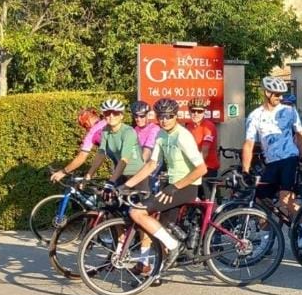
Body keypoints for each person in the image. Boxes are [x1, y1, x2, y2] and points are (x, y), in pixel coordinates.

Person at [124, 98, 207, 271]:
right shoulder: (162, 134)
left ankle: (174, 247)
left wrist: (175, 187)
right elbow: (151, 165)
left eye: (169, 116)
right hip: (171, 185)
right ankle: (157, 271)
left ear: (176, 116)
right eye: (161, 116)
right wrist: (126, 185)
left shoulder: (182, 136)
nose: (164, 120)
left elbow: (201, 169)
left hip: (186, 187)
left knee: (137, 212)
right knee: (159, 228)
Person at [242, 76, 302, 246]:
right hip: (271, 163)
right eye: (277, 94)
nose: (280, 97)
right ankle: (267, 238)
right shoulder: (255, 116)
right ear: (267, 93)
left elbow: (300, 134)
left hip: (289, 159)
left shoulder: (289, 111)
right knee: (260, 199)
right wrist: (245, 170)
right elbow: (248, 144)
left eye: (282, 94)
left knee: (286, 200)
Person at [50, 107, 105, 183]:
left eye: (83, 125)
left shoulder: (92, 133)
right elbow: (101, 156)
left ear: (86, 123)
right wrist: (89, 175)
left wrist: (63, 172)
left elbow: (82, 156)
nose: (85, 128)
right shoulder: (108, 121)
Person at [185, 97, 219, 184]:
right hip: (193, 167)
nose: (196, 114)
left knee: (206, 197)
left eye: (199, 111)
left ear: (204, 112)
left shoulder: (208, 127)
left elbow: (205, 152)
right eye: (193, 111)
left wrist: (194, 167)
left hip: (207, 168)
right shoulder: (188, 126)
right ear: (189, 111)